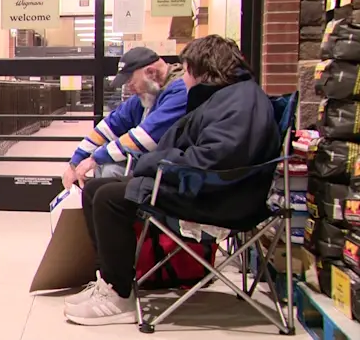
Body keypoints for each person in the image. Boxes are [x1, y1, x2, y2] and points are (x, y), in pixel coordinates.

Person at [63, 35, 281, 327]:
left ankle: (119, 294)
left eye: (187, 70)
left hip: (216, 196)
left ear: (204, 69)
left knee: (108, 199)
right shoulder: (231, 97)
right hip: (206, 186)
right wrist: (82, 158)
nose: (184, 79)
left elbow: (215, 158)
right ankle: (110, 284)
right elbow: (199, 150)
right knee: (97, 189)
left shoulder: (239, 101)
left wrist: (154, 163)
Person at [62, 47, 187, 186]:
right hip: (152, 163)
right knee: (104, 165)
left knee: (110, 172)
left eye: (130, 81)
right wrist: (76, 160)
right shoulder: (149, 92)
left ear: (151, 73)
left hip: (173, 171)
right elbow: (109, 126)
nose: (129, 88)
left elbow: (146, 137)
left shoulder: (181, 91)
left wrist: (95, 158)